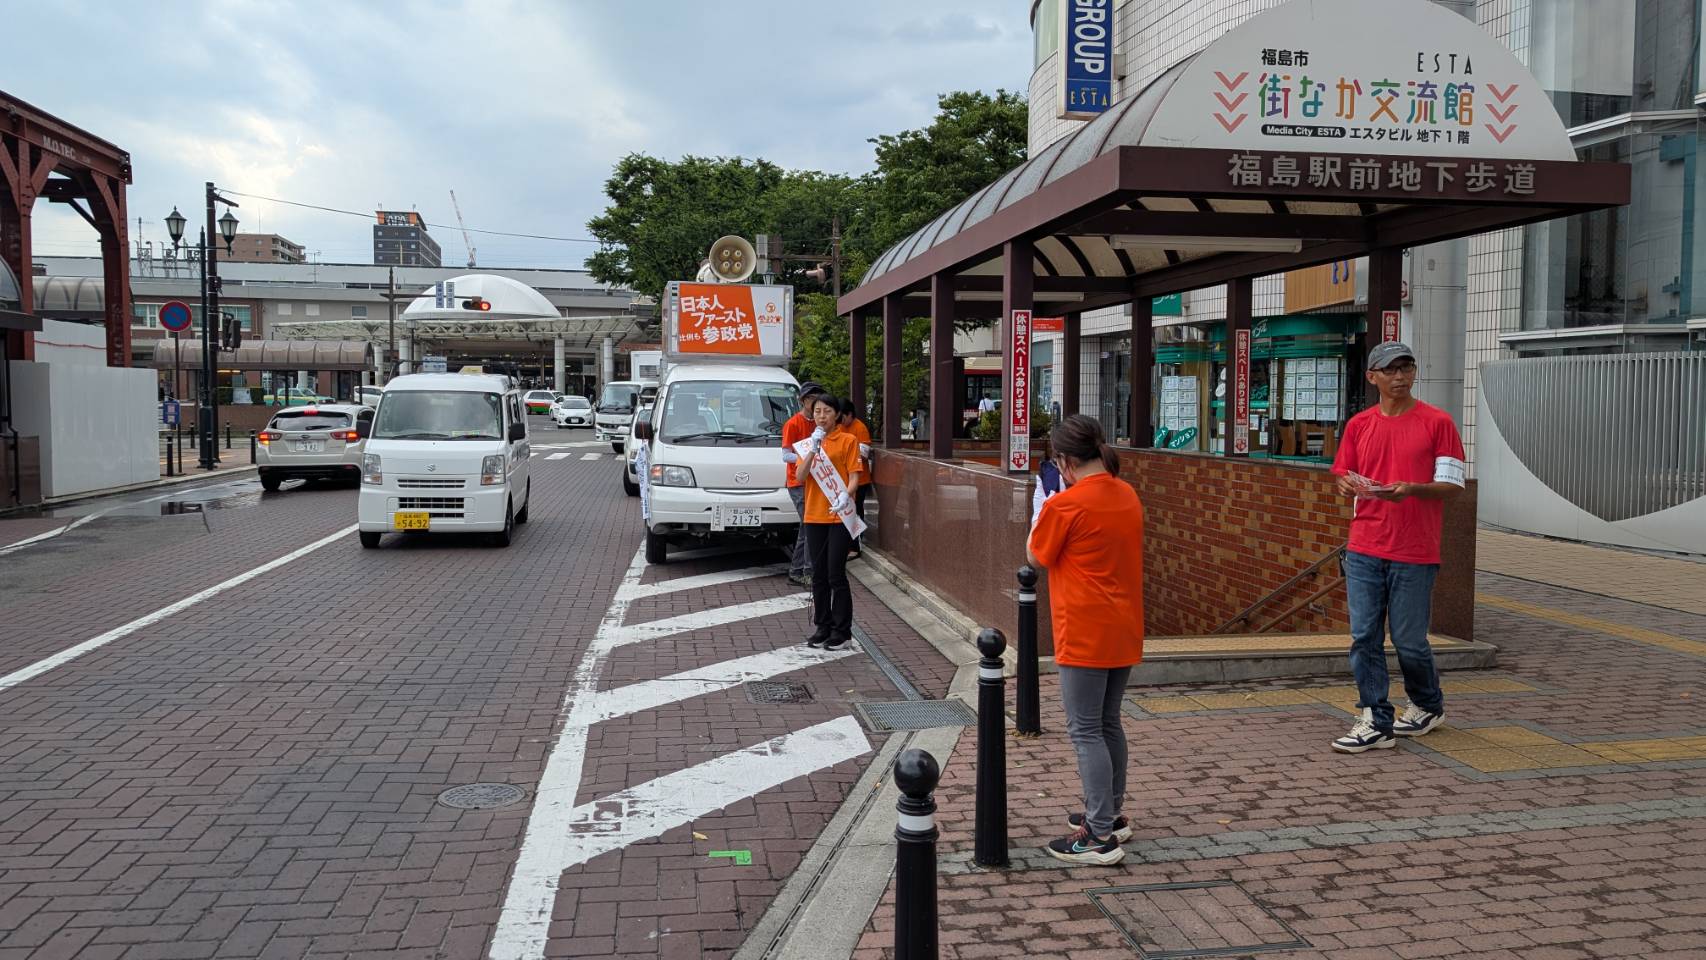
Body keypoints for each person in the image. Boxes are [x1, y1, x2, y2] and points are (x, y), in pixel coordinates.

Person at [1329, 341, 1466, 754]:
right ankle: (1375, 718)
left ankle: (1426, 703)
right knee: (1364, 635)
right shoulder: (1359, 425)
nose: (1400, 376)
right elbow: (1341, 477)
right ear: (1372, 377)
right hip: (1365, 545)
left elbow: (1453, 485)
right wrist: (1346, 484)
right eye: (1390, 370)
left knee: (1409, 640)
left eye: (1407, 367)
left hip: (1415, 549)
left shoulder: (1437, 422)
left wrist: (1413, 489)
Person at [1026, 415, 1144, 866]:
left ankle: (1096, 836)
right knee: (1109, 722)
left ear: (1064, 461)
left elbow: (1036, 555)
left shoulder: (1066, 505)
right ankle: (1110, 814)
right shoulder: (1126, 493)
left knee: (1086, 730)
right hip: (1124, 624)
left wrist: (1045, 507)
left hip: (1084, 628)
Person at [796, 393, 862, 650]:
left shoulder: (848, 440)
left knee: (836, 573)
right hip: (814, 514)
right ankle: (822, 626)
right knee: (819, 574)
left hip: (839, 514)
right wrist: (813, 449)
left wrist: (847, 494)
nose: (821, 416)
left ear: (837, 415)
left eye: (827, 411)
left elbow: (855, 475)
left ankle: (842, 631)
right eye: (817, 412)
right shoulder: (807, 444)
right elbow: (801, 476)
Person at [781, 382, 827, 586]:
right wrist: (807, 458)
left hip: (815, 481)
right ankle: (808, 570)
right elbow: (785, 455)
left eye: (818, 398)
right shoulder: (793, 424)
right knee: (810, 524)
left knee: (806, 527)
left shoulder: (819, 424)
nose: (815, 402)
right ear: (803, 400)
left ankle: (797, 570)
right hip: (797, 480)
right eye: (811, 399)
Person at [837, 399, 873, 559]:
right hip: (844, 478)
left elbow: (864, 454)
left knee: (855, 512)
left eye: (842, 416)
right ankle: (847, 544)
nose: (840, 420)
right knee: (845, 512)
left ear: (850, 414)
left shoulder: (860, 428)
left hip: (860, 479)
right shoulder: (839, 426)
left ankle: (855, 546)